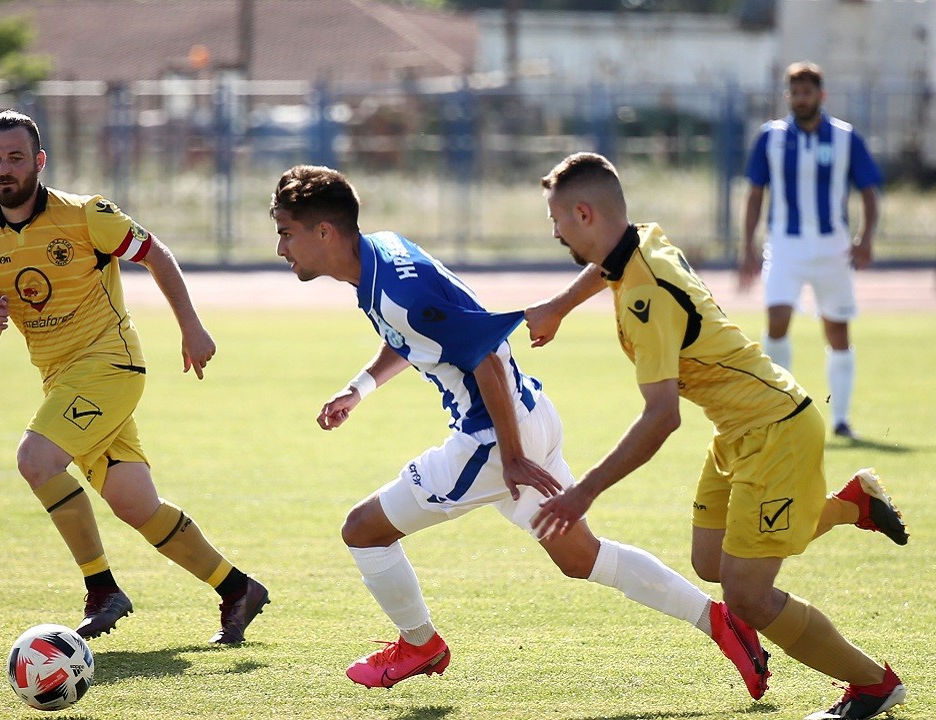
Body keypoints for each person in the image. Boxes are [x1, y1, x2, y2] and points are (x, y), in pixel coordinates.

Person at [270, 164, 770, 696]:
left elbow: (483, 357)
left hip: (492, 442)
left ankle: (419, 645)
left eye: (286, 233)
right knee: (583, 558)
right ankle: (720, 620)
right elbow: (415, 335)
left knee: (363, 530)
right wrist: (360, 388)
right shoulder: (383, 252)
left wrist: (510, 458)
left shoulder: (396, 289)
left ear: (325, 232)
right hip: (530, 415)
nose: (281, 248)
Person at [526, 152, 909, 720]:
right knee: (710, 560)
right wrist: (559, 307)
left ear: (584, 214)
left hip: (775, 432)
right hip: (739, 429)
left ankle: (873, 684)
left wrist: (583, 492)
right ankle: (853, 506)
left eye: (557, 219)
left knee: (746, 595)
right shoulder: (638, 240)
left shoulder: (646, 295)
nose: (555, 231)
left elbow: (661, 418)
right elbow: (607, 266)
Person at [0, 110, 268, 644]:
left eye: (15, 157)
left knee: (35, 460)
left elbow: (158, 256)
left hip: (111, 366)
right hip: (61, 381)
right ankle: (237, 588)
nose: (4, 168)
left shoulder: (87, 215)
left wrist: (192, 328)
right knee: (135, 505)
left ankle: (102, 588)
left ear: (39, 161)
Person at [739, 61, 882, 440]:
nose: (801, 99)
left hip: (833, 246)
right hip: (784, 244)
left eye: (808, 92)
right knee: (777, 320)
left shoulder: (845, 138)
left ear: (822, 95)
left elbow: (869, 191)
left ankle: (841, 419)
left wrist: (866, 237)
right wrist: (747, 244)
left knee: (837, 329)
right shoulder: (770, 137)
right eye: (795, 92)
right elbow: (755, 194)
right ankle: (781, 413)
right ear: (788, 96)